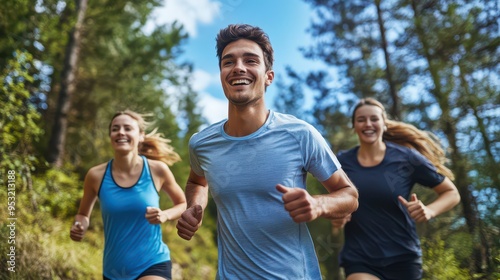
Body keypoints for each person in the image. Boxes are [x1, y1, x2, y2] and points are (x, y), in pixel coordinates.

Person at [175, 23, 359, 279]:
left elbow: (349, 195)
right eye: (229, 62)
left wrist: (319, 204)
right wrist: (194, 206)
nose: (238, 67)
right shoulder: (202, 144)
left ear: (268, 76)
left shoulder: (300, 134)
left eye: (250, 60)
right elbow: (197, 181)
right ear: (221, 75)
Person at [332, 98, 461, 280]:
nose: (368, 124)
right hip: (360, 259)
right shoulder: (341, 163)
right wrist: (337, 220)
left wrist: (429, 211)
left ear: (384, 124)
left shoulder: (407, 159)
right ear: (354, 125)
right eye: (361, 119)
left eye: (374, 119)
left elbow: (451, 193)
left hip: (403, 257)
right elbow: (334, 205)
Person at [70, 110, 187, 280]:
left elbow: (182, 203)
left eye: (127, 128)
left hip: (152, 262)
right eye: (115, 129)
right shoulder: (96, 175)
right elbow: (82, 215)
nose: (121, 132)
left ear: (141, 136)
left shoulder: (157, 170)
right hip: (114, 269)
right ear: (110, 135)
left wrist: (165, 215)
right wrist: (79, 226)